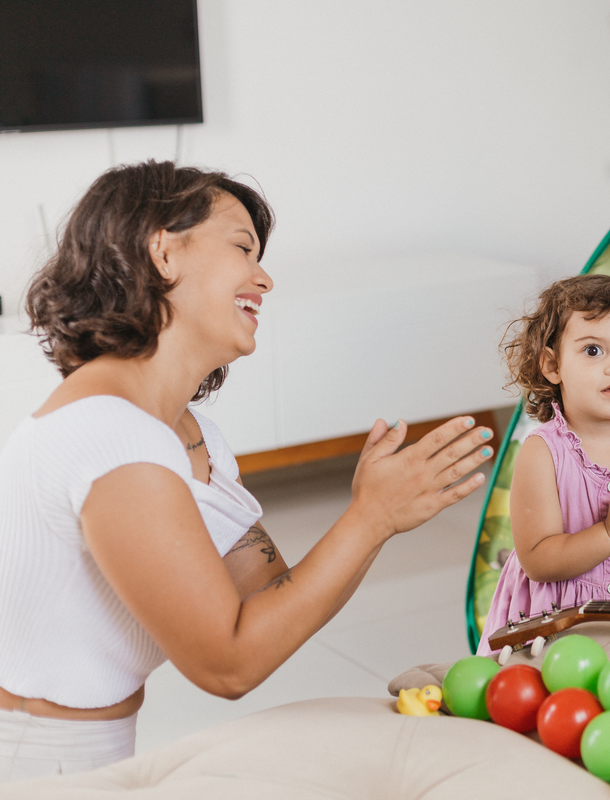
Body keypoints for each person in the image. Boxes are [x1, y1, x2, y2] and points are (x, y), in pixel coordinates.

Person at [0, 161, 494, 780]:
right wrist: (370, 519)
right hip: (34, 766)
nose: (263, 277)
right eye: (242, 248)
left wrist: (377, 514)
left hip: (100, 749)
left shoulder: (188, 434)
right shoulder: (110, 435)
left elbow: (273, 598)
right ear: (163, 251)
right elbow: (228, 664)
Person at [477, 274, 610, 655]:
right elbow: (539, 561)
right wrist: (609, 533)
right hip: (555, 630)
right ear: (552, 365)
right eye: (594, 351)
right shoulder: (542, 453)